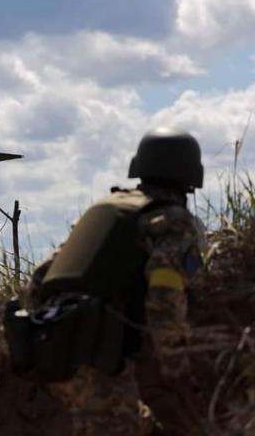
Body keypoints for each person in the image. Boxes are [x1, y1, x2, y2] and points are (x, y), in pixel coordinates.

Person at [25, 127, 206, 435]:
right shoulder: (173, 221)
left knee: (128, 421)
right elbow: (164, 291)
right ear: (190, 174)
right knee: (115, 422)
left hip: (50, 346)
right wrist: (176, 363)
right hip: (96, 351)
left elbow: (41, 278)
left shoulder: (107, 208)